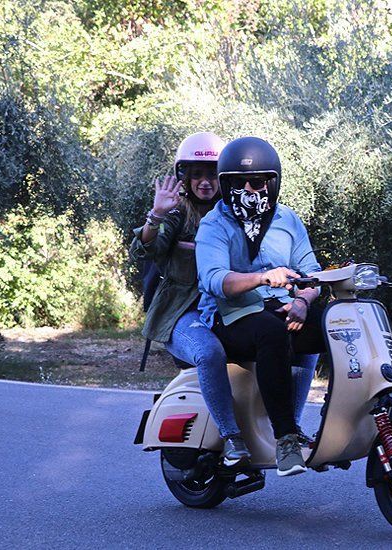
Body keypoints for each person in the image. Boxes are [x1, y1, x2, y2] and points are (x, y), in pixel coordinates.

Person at [196, 136, 325, 477]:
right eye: (239, 183)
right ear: (226, 185)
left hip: (282, 308)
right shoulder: (214, 224)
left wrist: (302, 299)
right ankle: (285, 439)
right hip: (230, 316)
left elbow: (311, 272)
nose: (250, 189)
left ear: (274, 182)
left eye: (258, 181)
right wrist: (263, 278)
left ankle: (344, 417)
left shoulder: (287, 220)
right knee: (271, 332)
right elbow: (214, 280)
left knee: (333, 323)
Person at [129, 132, 254, 467]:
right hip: (184, 311)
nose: (204, 182)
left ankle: (282, 431)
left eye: (212, 173)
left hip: (229, 307)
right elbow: (147, 249)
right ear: (184, 177)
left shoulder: (236, 212)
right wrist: (155, 216)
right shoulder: (176, 214)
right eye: (196, 174)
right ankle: (232, 438)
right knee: (208, 352)